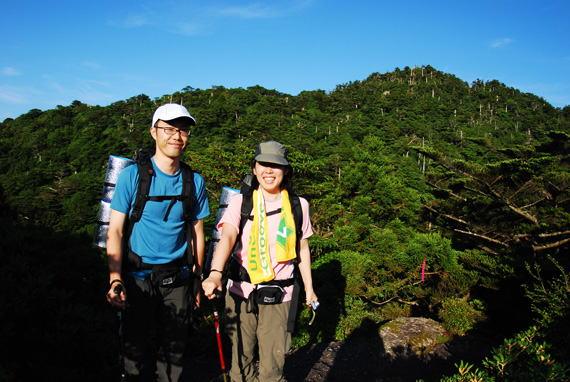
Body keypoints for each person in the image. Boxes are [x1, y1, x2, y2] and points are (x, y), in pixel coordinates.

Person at [105, 103, 210, 381]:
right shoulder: (132, 176)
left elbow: (198, 233)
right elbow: (115, 230)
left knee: (174, 356)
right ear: (154, 132)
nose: (177, 136)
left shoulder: (194, 181)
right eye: (169, 129)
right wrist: (115, 278)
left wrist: (198, 278)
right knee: (134, 354)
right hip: (138, 277)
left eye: (183, 130)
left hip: (178, 278)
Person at [202, 141, 318, 382]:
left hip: (280, 293)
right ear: (254, 169)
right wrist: (215, 273)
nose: (269, 170)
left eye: (276, 165)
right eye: (263, 164)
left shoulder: (298, 206)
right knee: (240, 361)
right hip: (241, 291)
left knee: (272, 364)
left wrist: (309, 289)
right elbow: (228, 236)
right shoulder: (240, 203)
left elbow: (302, 249)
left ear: (286, 171)